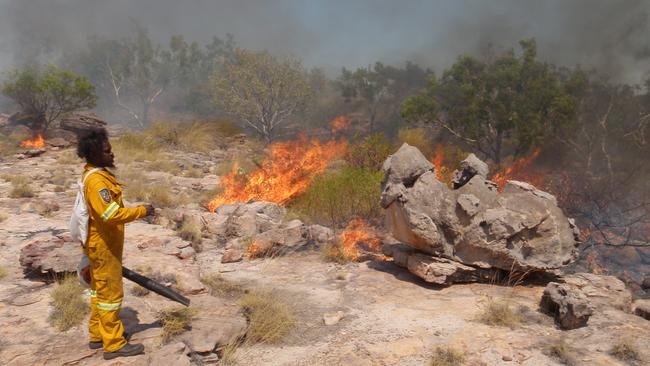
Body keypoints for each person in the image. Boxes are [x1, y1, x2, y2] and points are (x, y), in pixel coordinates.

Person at [76, 128, 154, 360]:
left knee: (98, 291)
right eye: (107, 151)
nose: (113, 155)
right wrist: (142, 211)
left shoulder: (95, 174)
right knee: (110, 295)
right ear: (95, 154)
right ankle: (114, 344)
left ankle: (97, 334)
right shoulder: (98, 182)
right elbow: (110, 214)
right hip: (103, 247)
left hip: (99, 244)